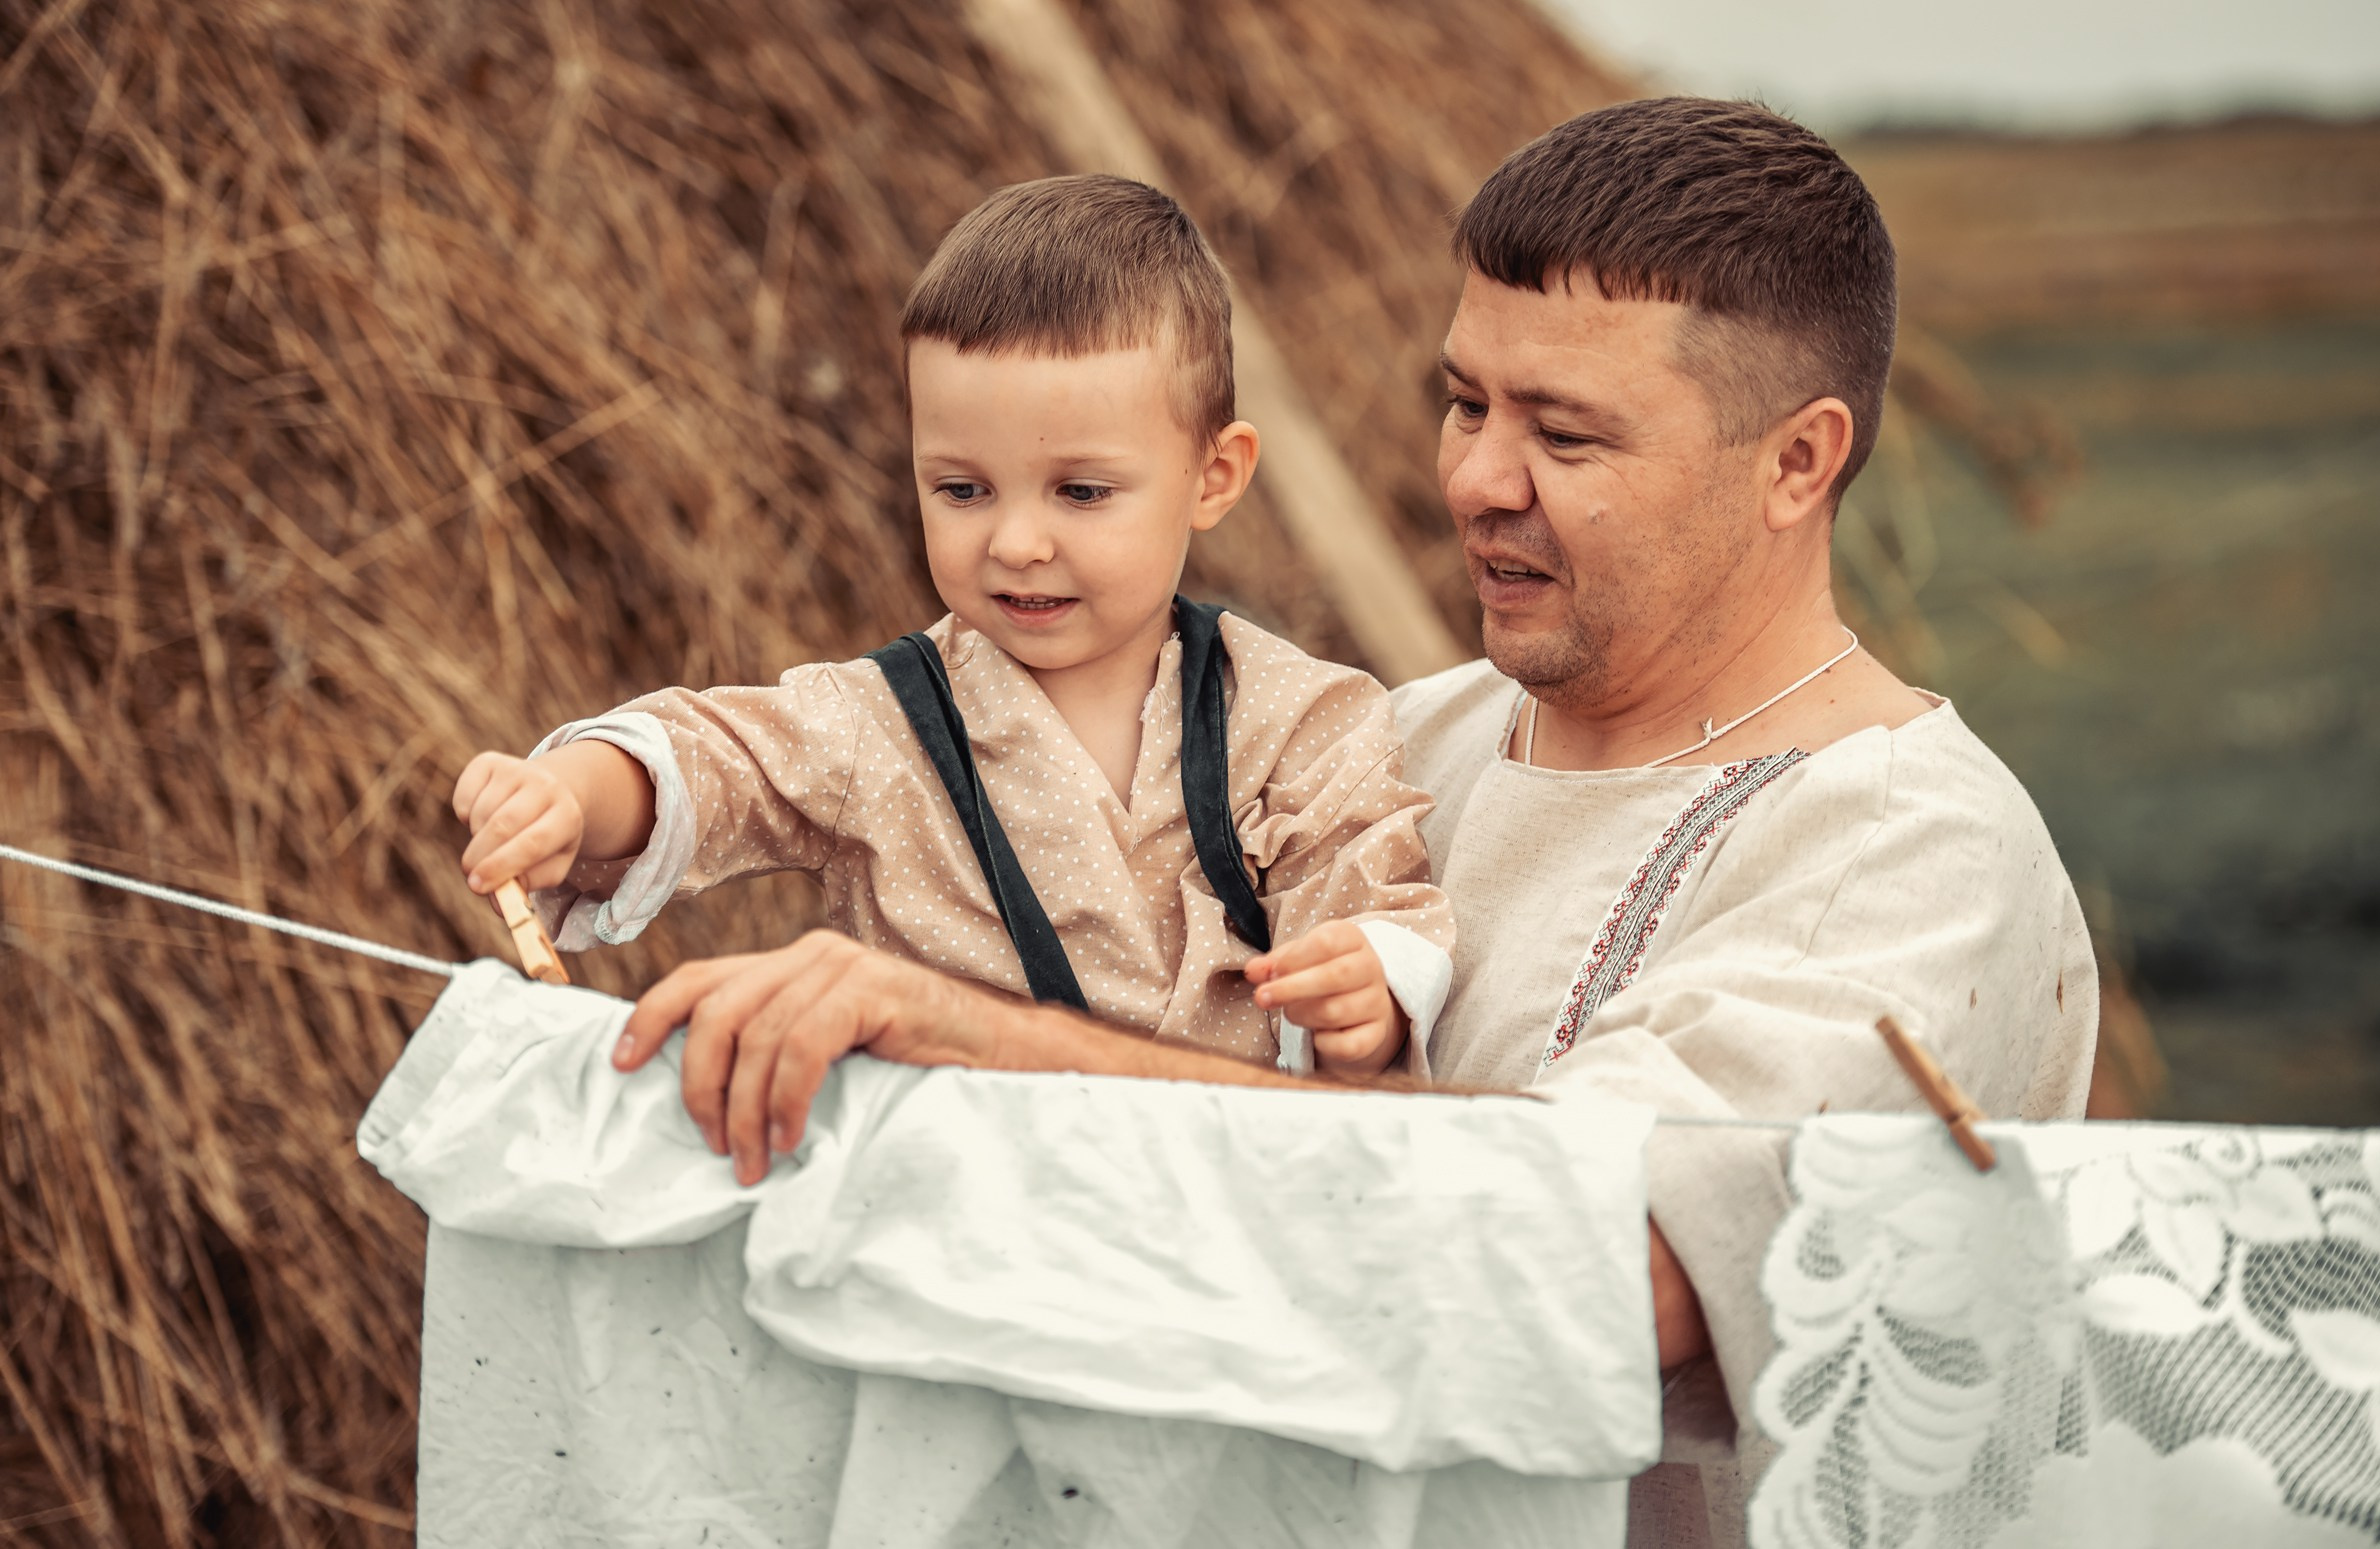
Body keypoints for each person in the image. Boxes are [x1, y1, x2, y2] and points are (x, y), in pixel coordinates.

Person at [593, 100, 2101, 1547]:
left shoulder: (1904, 850)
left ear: (1797, 461)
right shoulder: (1381, 741)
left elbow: (1584, 1273)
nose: (1474, 479)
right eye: (1464, 403)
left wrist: (972, 1044)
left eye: (1565, 438)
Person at [450, 175, 1456, 1185]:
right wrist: (574, 794)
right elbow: (723, 760)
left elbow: (1370, 923)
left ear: (1214, 476)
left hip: (1226, 1210)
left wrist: (1364, 1003)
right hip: (948, 1218)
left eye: (1082, 491)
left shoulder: (1304, 721)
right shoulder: (881, 724)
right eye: (963, 489)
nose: (1016, 541)